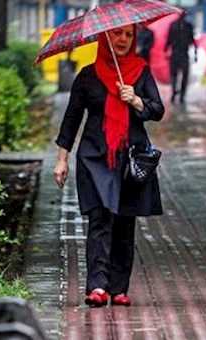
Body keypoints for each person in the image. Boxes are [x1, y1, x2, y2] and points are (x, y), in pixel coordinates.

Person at [53, 24, 165, 308]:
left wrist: (137, 101)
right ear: (105, 37)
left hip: (130, 158)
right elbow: (71, 119)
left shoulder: (141, 71)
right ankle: (98, 286)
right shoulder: (88, 76)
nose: (123, 40)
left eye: (128, 35)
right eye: (117, 34)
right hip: (94, 157)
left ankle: (119, 288)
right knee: (100, 219)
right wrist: (62, 159)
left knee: (125, 221)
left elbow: (157, 110)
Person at [165, 12, 196, 105]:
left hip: (175, 54)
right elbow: (192, 41)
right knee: (184, 76)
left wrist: (165, 49)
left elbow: (168, 40)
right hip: (184, 55)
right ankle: (182, 96)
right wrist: (195, 53)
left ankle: (174, 94)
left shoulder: (173, 25)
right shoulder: (188, 26)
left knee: (173, 75)